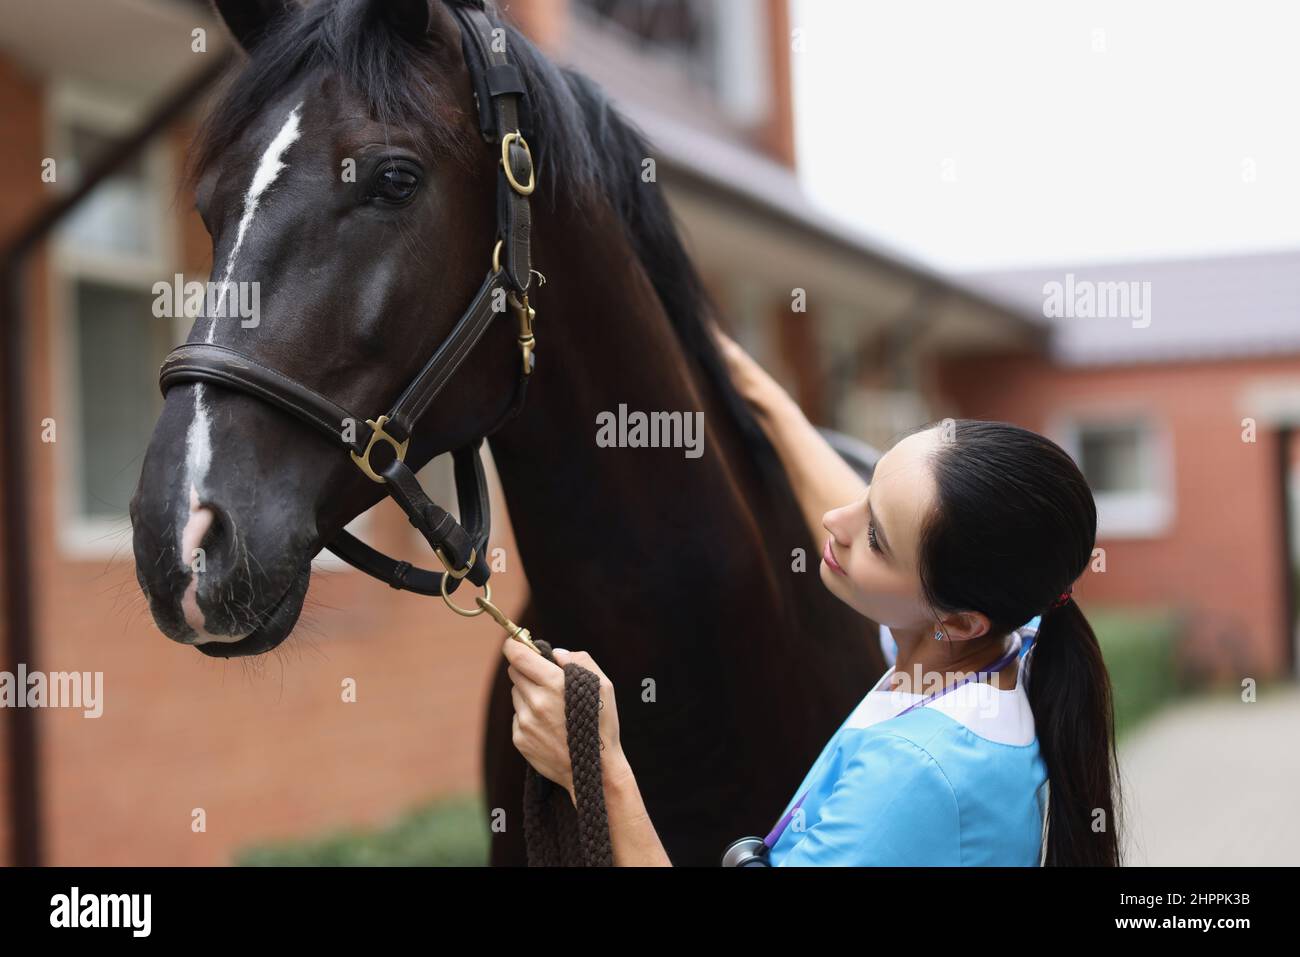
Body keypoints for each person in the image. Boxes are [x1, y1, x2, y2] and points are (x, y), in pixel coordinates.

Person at [502, 330, 1121, 866]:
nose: (834, 518)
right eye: (868, 487)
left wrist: (595, 767)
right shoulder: (999, 641)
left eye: (873, 538)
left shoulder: (913, 776)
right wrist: (754, 387)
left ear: (957, 620)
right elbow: (860, 508)